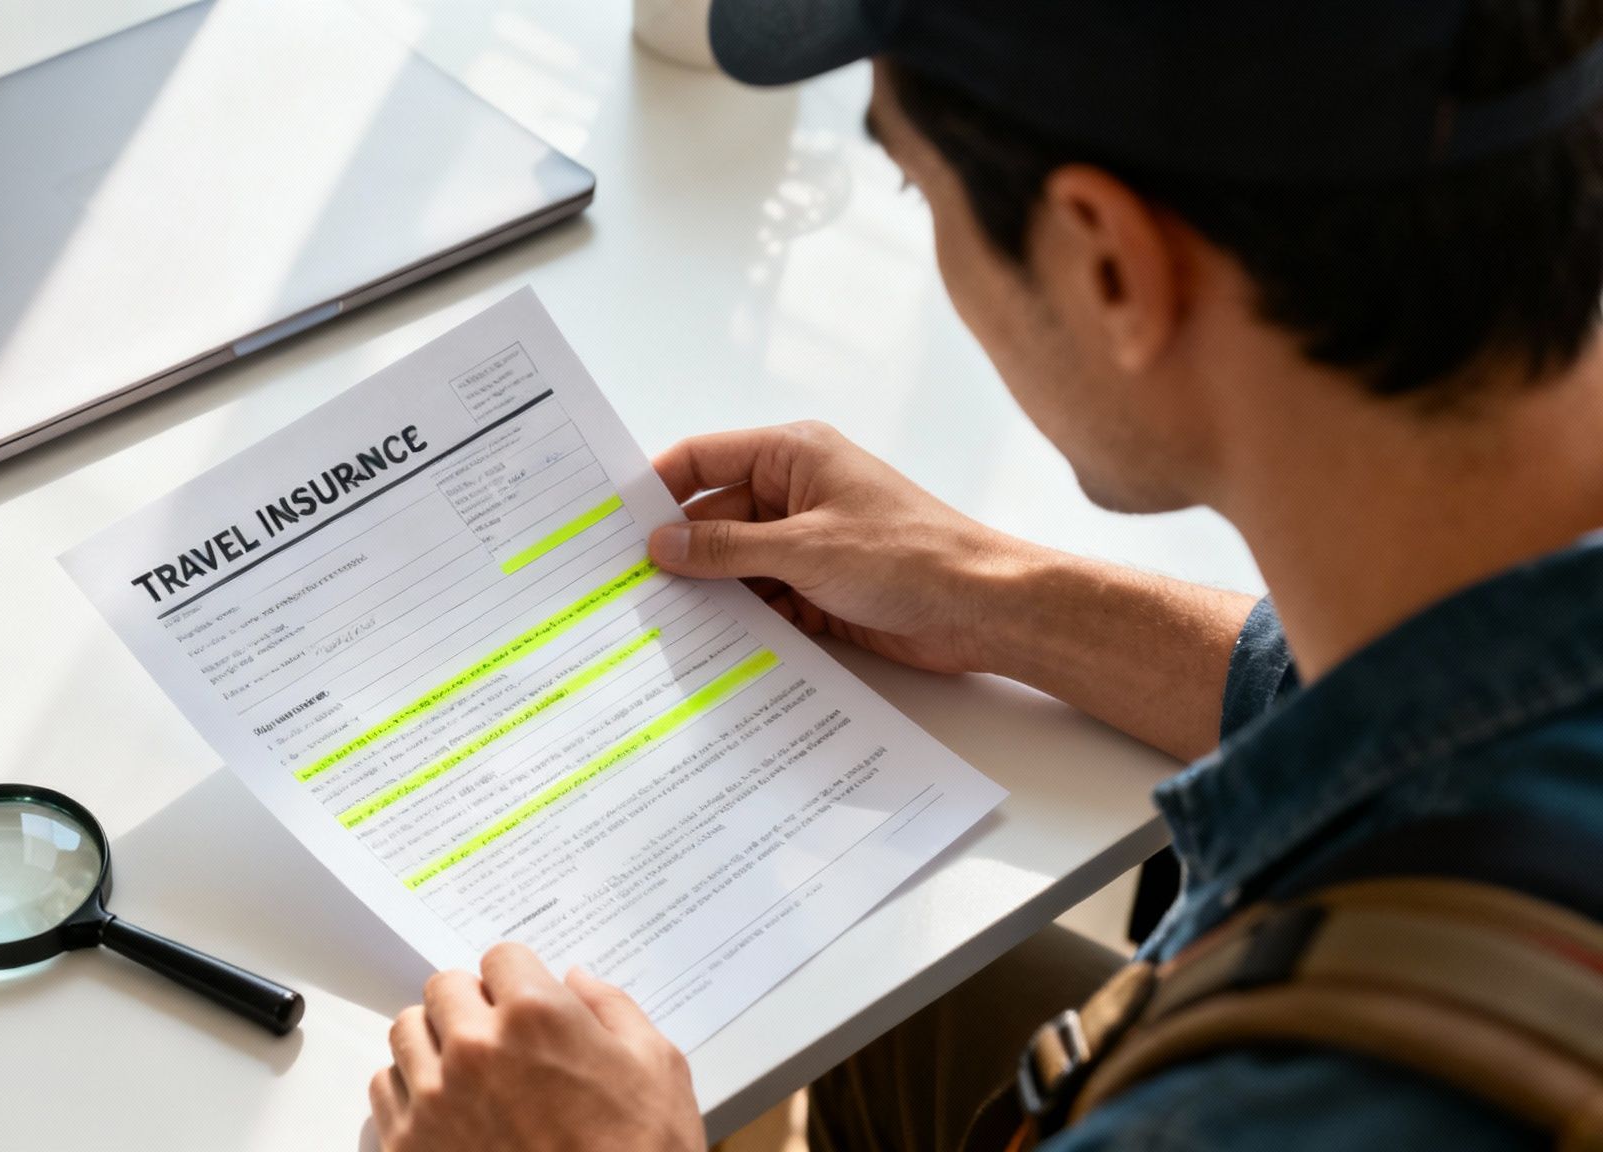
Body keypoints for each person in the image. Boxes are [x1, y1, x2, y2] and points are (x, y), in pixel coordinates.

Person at [366, 0, 1603, 1148]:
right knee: (889, 1010)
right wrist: (995, 592)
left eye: (914, 184)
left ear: (1107, 267)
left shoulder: (1271, 1107)